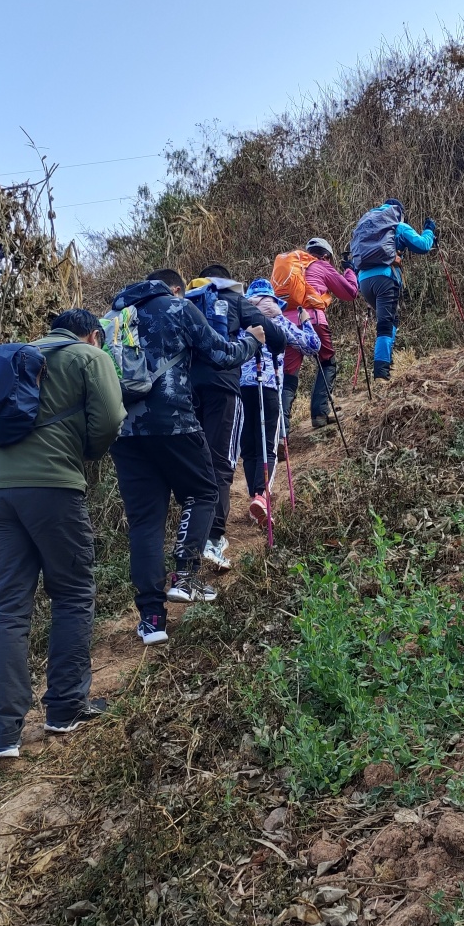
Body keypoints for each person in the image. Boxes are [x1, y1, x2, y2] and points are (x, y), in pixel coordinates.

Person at [0, 308, 126, 761]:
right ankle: (65, 707)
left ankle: (1, 736)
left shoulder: (17, 355)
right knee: (73, 591)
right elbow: (111, 421)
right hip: (52, 486)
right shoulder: (88, 355)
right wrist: (82, 454)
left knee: (5, 608)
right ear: (93, 333)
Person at [108, 269, 263, 643]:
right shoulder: (177, 308)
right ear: (175, 288)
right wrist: (253, 341)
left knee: (145, 521)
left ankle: (151, 620)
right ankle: (186, 576)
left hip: (125, 433)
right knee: (204, 491)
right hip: (174, 422)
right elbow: (222, 354)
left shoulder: (113, 320)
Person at [185, 265, 286, 572]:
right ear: (224, 278)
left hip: (187, 390)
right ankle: (213, 538)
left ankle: (191, 539)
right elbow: (276, 337)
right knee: (222, 462)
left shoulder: (186, 301)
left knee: (198, 461)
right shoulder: (231, 297)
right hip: (225, 387)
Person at [239, 279, 320, 524]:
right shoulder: (279, 320)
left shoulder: (240, 319)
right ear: (273, 300)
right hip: (270, 387)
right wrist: (306, 321)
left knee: (250, 447)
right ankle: (262, 496)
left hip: (241, 389)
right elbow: (312, 346)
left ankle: (256, 497)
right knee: (269, 445)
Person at [278, 238, 359, 433]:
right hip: (313, 320)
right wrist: (350, 271)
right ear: (326, 256)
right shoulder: (321, 265)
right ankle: (319, 414)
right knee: (327, 362)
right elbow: (350, 292)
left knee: (289, 375)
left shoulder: (293, 267)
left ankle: (281, 433)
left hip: (287, 325)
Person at [351, 200, 436, 380]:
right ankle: (381, 372)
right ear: (399, 212)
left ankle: (386, 362)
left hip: (364, 280)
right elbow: (423, 246)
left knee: (391, 319)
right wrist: (429, 230)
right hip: (385, 278)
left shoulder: (367, 226)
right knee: (386, 323)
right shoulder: (397, 225)